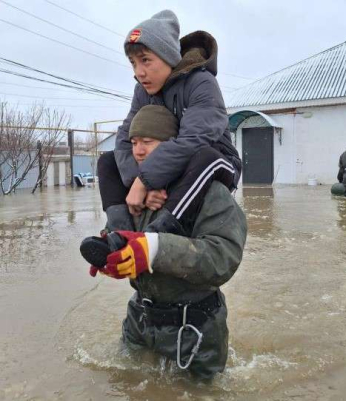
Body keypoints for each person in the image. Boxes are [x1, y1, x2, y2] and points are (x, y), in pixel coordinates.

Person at [83, 104, 248, 380]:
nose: (138, 150)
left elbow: (223, 258)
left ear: (172, 145)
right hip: (140, 320)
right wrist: (111, 251)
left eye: (148, 142)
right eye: (134, 142)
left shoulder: (209, 191)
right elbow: (123, 233)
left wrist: (155, 250)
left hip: (195, 329)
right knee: (126, 386)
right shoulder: (134, 192)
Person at [97, 9, 241, 236]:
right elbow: (125, 138)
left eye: (145, 60)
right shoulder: (142, 92)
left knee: (205, 156)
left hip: (215, 164)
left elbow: (193, 140)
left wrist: (143, 181)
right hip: (165, 170)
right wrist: (139, 182)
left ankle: (161, 231)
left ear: (169, 56)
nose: (139, 72)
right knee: (107, 160)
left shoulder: (201, 83)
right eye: (133, 63)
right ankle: (119, 231)